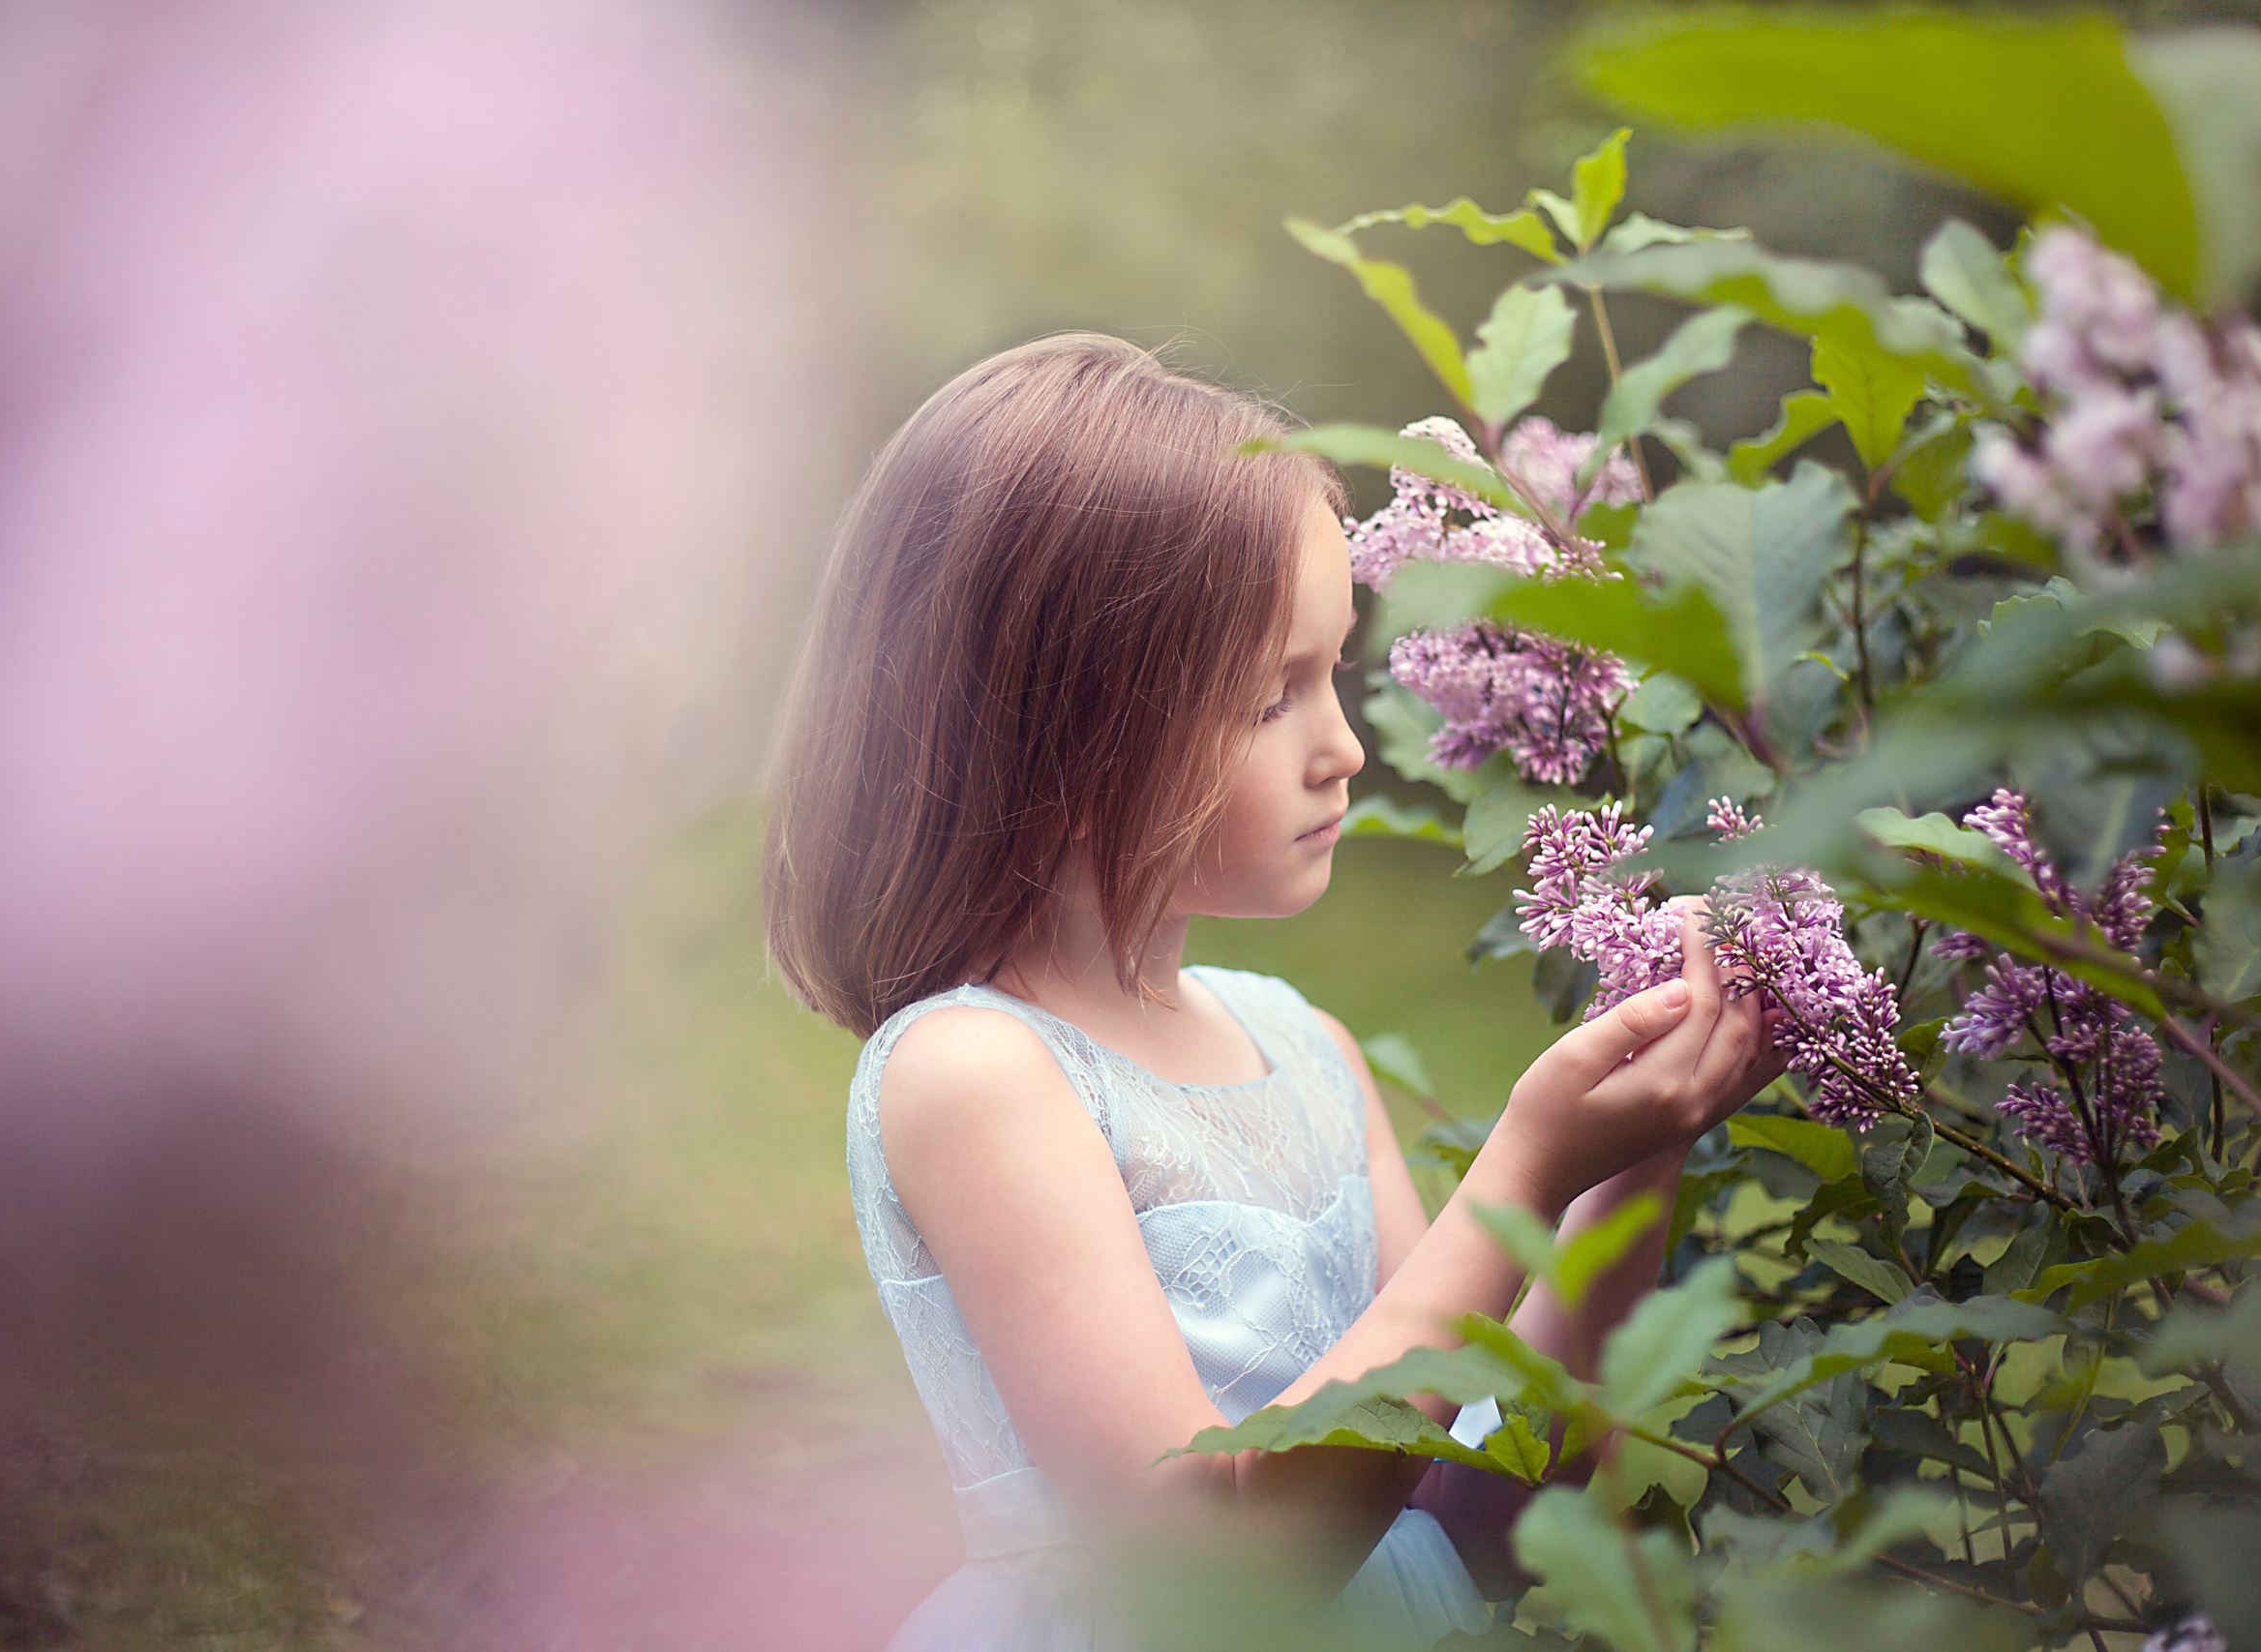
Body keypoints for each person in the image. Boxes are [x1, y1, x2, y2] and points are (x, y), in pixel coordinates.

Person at [764, 334, 1782, 1650]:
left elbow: (1499, 1500)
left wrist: (1629, 1167)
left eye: (1336, 673)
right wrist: (1521, 1171)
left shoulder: (1307, 1051)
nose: (1345, 747)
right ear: (1067, 725)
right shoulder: (976, 1076)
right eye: (1270, 698)